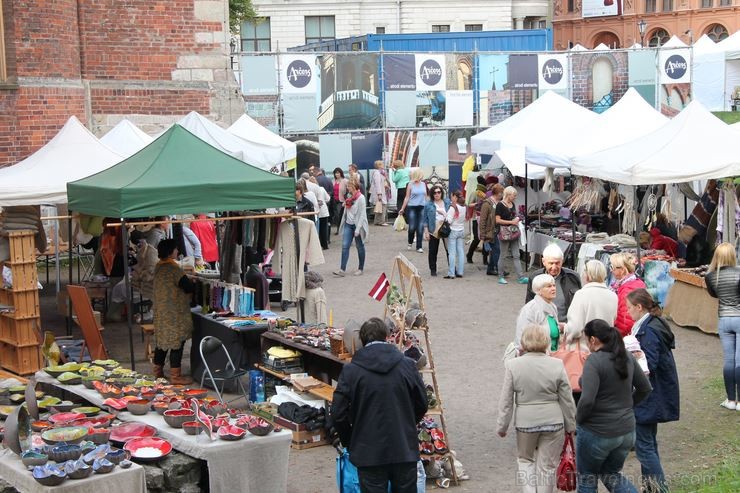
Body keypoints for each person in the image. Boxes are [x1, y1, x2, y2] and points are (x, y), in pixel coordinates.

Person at [331, 317, 428, 492]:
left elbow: (338, 413)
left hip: (369, 453)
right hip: (403, 449)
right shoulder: (407, 365)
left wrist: (350, 440)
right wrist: (405, 424)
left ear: (362, 340)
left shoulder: (352, 371)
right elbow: (422, 403)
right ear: (386, 337)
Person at [497, 324, 577, 493]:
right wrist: (571, 425)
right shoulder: (557, 364)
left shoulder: (513, 366)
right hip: (553, 421)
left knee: (525, 460)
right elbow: (567, 399)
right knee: (547, 466)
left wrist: (503, 426)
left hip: (526, 422)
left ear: (524, 343)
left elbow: (506, 400)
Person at [576, 319, 652, 493]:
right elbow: (645, 388)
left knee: (587, 477)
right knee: (612, 474)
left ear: (593, 340)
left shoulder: (594, 361)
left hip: (597, 431)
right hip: (626, 431)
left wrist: (578, 421)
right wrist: (628, 406)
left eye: (586, 339)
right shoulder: (626, 356)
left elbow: (587, 400)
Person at [625, 289, 680, 493]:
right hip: (656, 394)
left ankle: (659, 489)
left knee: (645, 446)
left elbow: (648, 365)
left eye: (630, 308)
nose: (628, 312)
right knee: (649, 443)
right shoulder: (653, 324)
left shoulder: (648, 331)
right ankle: (651, 488)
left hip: (649, 395)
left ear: (639, 307)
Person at [152, 239, 195, 384]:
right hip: (174, 313)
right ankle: (176, 376)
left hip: (161, 311)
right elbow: (188, 287)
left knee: (162, 342)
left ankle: (157, 372)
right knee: (177, 342)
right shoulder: (173, 269)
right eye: (176, 249)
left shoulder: (158, 267)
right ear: (170, 252)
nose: (178, 251)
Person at [705, 242, 740, 411]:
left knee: (728, 360)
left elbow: (713, 294)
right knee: (739, 361)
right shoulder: (739, 273)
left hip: (724, 319)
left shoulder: (711, 276)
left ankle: (731, 400)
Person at [564, 260, 617, 351]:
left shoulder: (581, 294)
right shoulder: (613, 295)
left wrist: (566, 331)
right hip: (605, 348)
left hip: (584, 349)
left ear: (587, 275)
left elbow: (575, 327)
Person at [526, 244, 582, 321]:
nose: (554, 267)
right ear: (544, 262)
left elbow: (580, 305)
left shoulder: (573, 277)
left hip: (567, 327)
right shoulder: (535, 277)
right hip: (542, 327)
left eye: (557, 263)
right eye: (551, 263)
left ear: (562, 261)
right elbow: (529, 304)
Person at [515, 274, 560, 353]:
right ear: (539, 290)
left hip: (553, 355)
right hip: (536, 357)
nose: (553, 289)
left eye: (554, 285)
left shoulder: (553, 307)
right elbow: (522, 338)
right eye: (548, 286)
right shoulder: (530, 309)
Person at [334, 179, 368, 277]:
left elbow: (362, 215)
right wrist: (345, 204)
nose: (347, 188)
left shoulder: (361, 198)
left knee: (359, 246)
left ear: (354, 187)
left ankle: (360, 268)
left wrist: (358, 229)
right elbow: (348, 208)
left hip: (357, 225)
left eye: (349, 186)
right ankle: (342, 269)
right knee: (345, 246)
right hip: (348, 224)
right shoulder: (349, 196)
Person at [609, 252, 647, 337]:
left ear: (622, 270)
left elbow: (626, 321)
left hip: (628, 336)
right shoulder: (636, 282)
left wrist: (616, 337)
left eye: (613, 267)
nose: (611, 270)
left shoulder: (626, 290)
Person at [496, 186, 527, 284]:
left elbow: (513, 215)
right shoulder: (500, 205)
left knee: (516, 255)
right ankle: (500, 276)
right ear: (508, 195)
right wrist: (511, 222)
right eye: (514, 195)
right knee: (503, 255)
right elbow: (497, 220)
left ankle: (521, 277)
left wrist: (517, 219)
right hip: (504, 232)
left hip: (513, 232)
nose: (515, 197)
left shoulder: (512, 204)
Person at [423, 185, 450, 277]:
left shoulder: (447, 202)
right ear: (432, 194)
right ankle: (433, 269)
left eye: (439, 192)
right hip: (433, 228)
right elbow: (425, 219)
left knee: (449, 249)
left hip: (445, 227)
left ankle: (452, 268)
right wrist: (426, 232)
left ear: (442, 193)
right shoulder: (428, 204)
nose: (437, 194)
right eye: (434, 193)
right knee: (433, 250)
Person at [398, 168, 427, 253]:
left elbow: (425, 196)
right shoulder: (410, 184)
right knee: (412, 227)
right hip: (412, 207)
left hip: (422, 206)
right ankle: (410, 241)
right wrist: (402, 208)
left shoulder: (423, 184)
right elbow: (407, 197)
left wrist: (429, 206)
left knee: (420, 227)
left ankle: (419, 246)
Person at [480, 183, 503, 276]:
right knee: (497, 250)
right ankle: (498, 268)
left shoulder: (499, 203)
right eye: (501, 193)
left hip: (497, 230)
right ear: (498, 193)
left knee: (495, 250)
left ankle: (490, 269)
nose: (502, 195)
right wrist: (482, 234)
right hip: (490, 231)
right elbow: (482, 220)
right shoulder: (487, 203)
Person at [444, 190, 466, 279]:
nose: (451, 198)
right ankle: (460, 272)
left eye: (451, 196)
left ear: (455, 197)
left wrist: (444, 215)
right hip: (461, 230)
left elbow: (448, 221)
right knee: (460, 252)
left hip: (453, 230)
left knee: (452, 253)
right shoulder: (464, 207)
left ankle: (451, 273)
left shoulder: (453, 207)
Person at [308, 175, 331, 249]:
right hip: (323, 211)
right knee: (324, 229)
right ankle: (325, 244)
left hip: (315, 212)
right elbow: (328, 199)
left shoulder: (309, 191)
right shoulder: (321, 189)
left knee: (316, 229)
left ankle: (317, 245)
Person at [370, 160, 390, 226]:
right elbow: (377, 184)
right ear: (379, 165)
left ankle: (377, 221)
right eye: (382, 164)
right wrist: (379, 194)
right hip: (379, 192)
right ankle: (381, 221)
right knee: (382, 206)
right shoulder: (377, 173)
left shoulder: (380, 173)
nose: (383, 165)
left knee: (379, 207)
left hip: (381, 191)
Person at [332, 167, 349, 234]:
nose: (337, 174)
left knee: (340, 215)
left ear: (341, 173)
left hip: (341, 200)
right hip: (334, 200)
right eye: (335, 173)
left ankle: (340, 229)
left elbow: (349, 190)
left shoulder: (345, 181)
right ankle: (338, 228)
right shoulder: (333, 181)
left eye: (338, 173)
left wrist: (346, 199)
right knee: (336, 216)